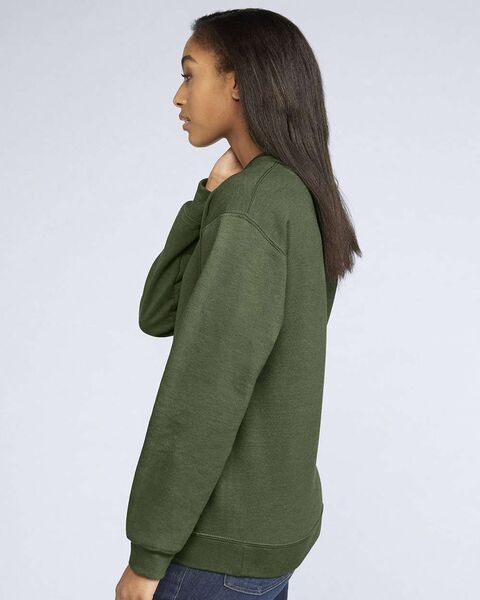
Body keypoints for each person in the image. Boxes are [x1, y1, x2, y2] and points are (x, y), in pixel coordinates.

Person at [115, 8, 361, 600]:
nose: (178, 96)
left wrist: (147, 557)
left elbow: (203, 395)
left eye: (189, 74)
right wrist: (208, 197)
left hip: (217, 550)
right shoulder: (291, 193)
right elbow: (159, 313)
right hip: (268, 534)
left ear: (237, 82)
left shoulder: (253, 210)